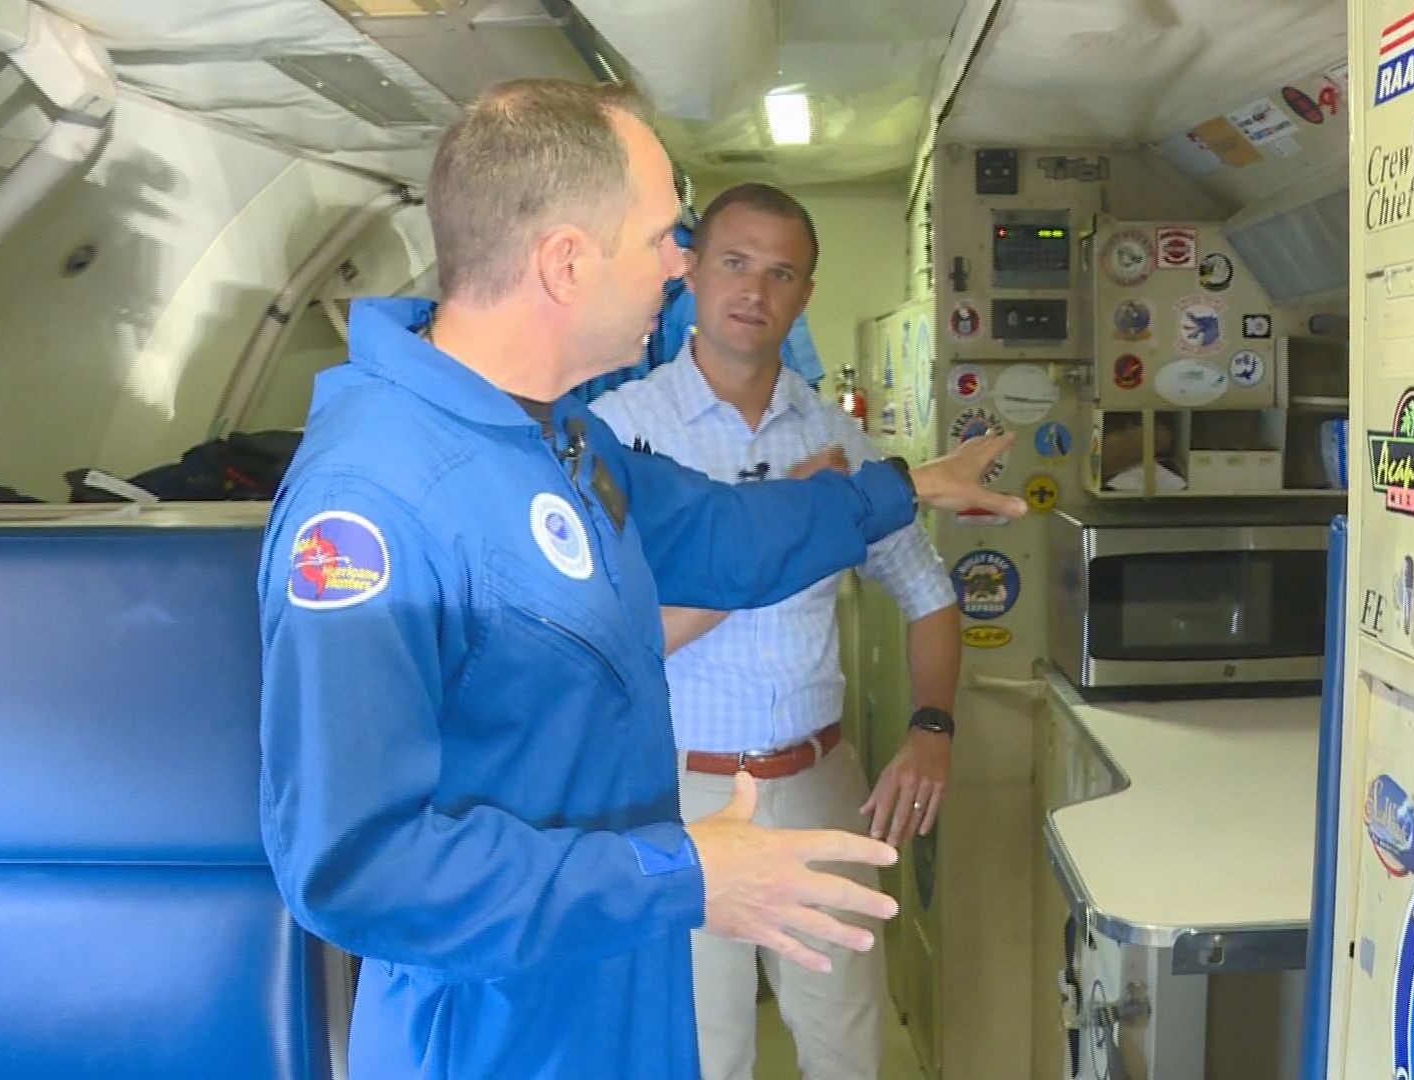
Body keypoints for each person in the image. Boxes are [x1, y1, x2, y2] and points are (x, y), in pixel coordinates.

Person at [255, 79, 1024, 1080]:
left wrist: (905, 485)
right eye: (665, 236)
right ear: (567, 263)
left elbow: (730, 532)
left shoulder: (559, 436)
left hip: (617, 982)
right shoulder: (374, 502)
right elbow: (355, 866)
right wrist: (682, 872)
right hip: (502, 1030)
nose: (680, 266)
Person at [590, 183, 959, 1080]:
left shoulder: (839, 439)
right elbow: (613, 639)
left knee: (845, 1049)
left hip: (817, 781)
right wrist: (791, 520)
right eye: (735, 262)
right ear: (688, 272)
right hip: (677, 793)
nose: (755, 289)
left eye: (781, 272)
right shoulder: (619, 434)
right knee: (701, 1053)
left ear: (803, 297)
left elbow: (928, 591)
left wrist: (932, 729)